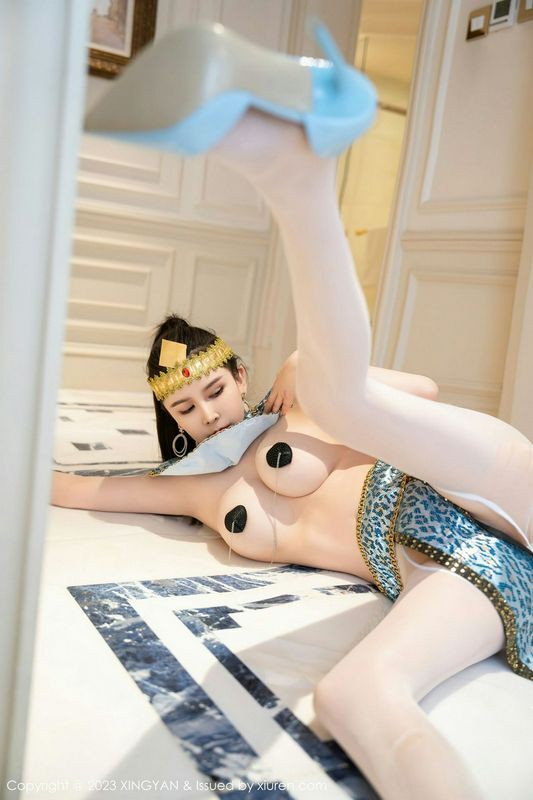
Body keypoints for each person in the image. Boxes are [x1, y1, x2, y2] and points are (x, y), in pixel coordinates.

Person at [54, 20, 533, 800]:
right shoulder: (199, 488)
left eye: (214, 391)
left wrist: (301, 371)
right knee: (351, 698)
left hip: (457, 481)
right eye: (186, 408)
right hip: (428, 567)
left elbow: (418, 393)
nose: (207, 414)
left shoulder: (294, 399)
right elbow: (83, 490)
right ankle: (292, 163)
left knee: (343, 399)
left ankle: (295, 173)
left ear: (239, 376)